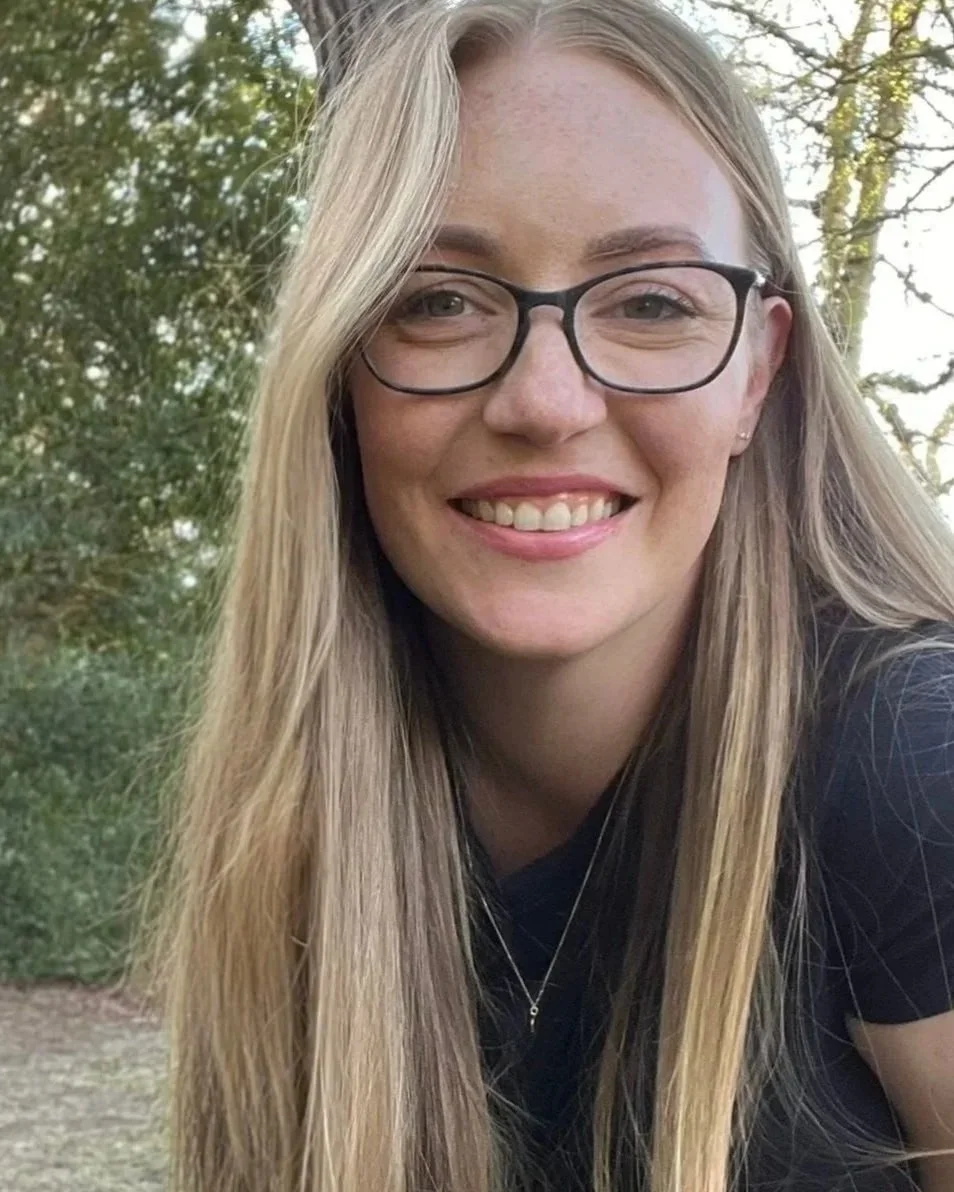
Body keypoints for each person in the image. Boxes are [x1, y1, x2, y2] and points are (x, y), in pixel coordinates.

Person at [139, 1, 954, 1189]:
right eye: (439, 301)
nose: (546, 401)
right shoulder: (299, 805)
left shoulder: (915, 767)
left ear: (757, 373)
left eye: (652, 302)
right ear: (339, 371)